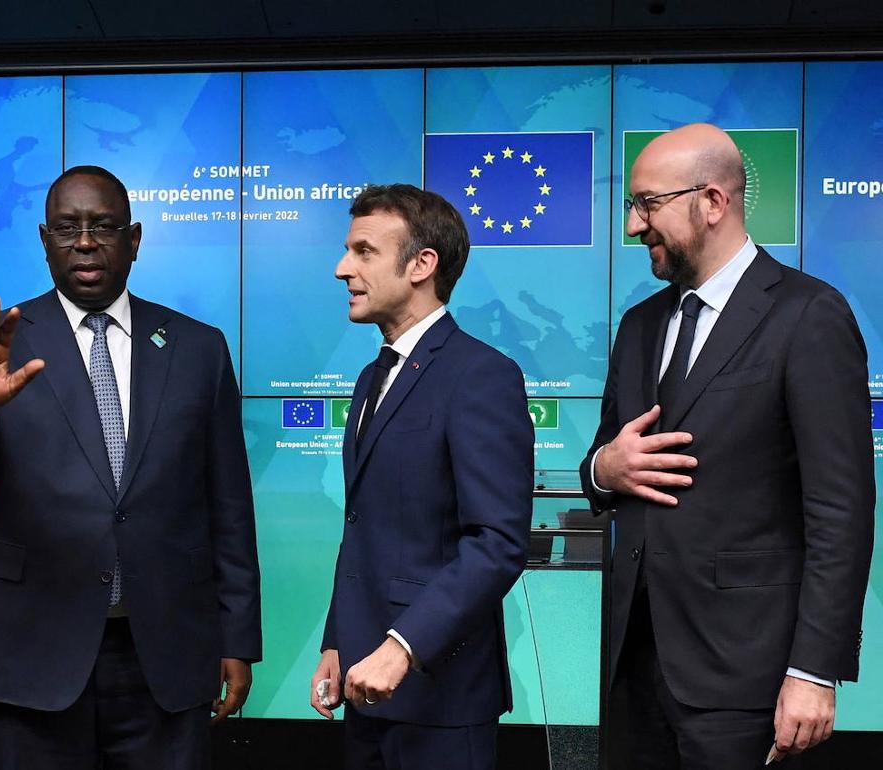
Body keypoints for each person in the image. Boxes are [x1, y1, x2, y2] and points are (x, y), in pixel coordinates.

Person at [0, 165, 262, 768]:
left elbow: (228, 503)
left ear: (134, 240)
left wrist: (236, 637)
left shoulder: (197, 348)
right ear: (44, 240)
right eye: (68, 228)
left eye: (103, 226)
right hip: (32, 649)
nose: (85, 241)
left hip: (166, 649)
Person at [581, 123, 874, 768]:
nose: (634, 226)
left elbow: (840, 513)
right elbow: (604, 456)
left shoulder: (808, 315)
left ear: (712, 202)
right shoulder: (638, 325)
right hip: (634, 671)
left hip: (751, 680)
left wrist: (814, 671)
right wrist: (604, 469)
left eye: (648, 204)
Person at [310, 184, 534, 769]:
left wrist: (403, 648)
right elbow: (363, 527)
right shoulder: (369, 378)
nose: (342, 269)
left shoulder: (482, 376)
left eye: (363, 252)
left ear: (421, 265)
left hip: (441, 698)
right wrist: (338, 640)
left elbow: (497, 544)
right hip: (364, 688)